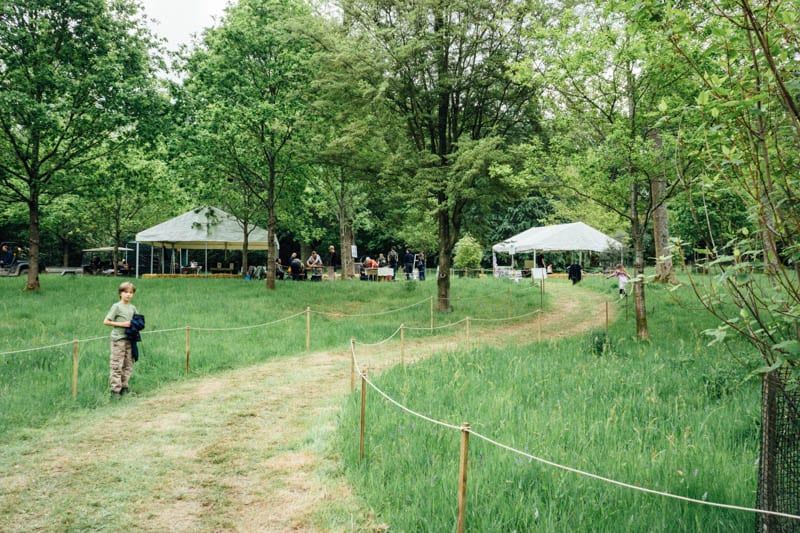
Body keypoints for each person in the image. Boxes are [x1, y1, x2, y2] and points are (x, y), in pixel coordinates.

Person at [103, 281, 139, 397]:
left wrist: (137, 324)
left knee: (128, 364)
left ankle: (124, 388)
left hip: (129, 339)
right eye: (125, 292)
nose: (128, 295)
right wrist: (123, 324)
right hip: (118, 339)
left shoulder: (133, 308)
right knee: (116, 364)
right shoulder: (116, 306)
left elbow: (138, 320)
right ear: (120, 293)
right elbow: (106, 321)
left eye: (131, 292)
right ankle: (115, 391)